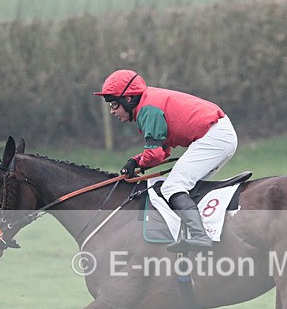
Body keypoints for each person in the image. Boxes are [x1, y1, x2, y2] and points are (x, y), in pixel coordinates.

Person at [94, 70, 237, 253]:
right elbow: (162, 151)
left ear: (128, 99)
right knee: (183, 186)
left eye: (114, 104)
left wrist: (136, 164)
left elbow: (154, 155)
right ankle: (200, 232)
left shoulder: (148, 110)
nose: (112, 111)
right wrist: (136, 161)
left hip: (214, 137)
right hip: (217, 134)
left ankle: (200, 236)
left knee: (172, 187)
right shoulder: (149, 103)